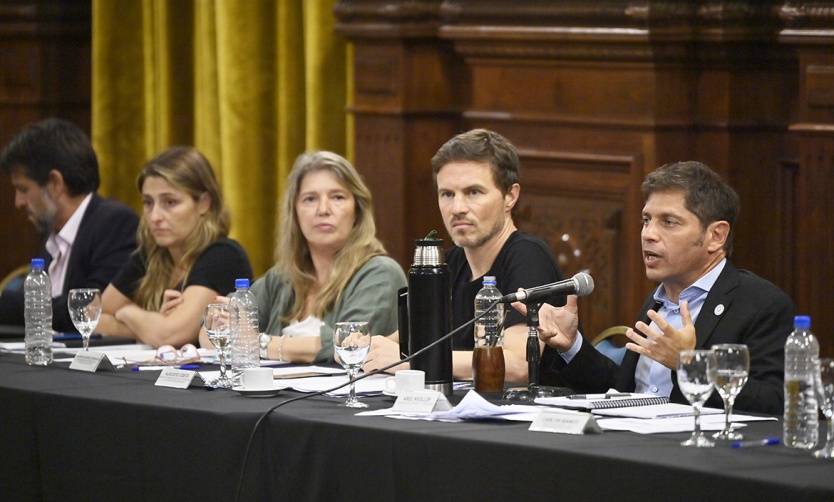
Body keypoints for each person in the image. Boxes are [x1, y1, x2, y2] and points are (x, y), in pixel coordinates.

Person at [528, 161, 795, 414]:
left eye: (669, 222)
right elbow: (624, 392)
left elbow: (777, 402)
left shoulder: (761, 304)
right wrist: (571, 346)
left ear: (716, 236)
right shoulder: (658, 300)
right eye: (646, 220)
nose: (648, 234)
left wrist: (689, 364)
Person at [363, 129, 566, 382]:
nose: (457, 208)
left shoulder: (528, 256)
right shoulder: (449, 263)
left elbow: (517, 365)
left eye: (473, 192)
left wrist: (411, 360)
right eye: (447, 194)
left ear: (510, 197)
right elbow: (401, 342)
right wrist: (362, 348)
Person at [198, 151, 406, 364]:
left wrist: (257, 342)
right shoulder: (282, 278)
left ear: (357, 211)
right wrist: (219, 324)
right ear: (295, 213)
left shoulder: (381, 273)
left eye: (337, 197)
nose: (323, 210)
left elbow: (349, 344)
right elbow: (208, 331)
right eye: (310, 199)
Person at [97, 146, 252, 347]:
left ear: (204, 203)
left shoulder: (223, 255)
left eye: (170, 202)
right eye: (148, 203)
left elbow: (169, 335)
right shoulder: (151, 255)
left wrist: (128, 312)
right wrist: (150, 325)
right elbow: (94, 318)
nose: (155, 217)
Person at [0, 117, 139, 332]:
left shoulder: (115, 225)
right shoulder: (51, 234)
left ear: (55, 183)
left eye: (24, 189)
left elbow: (88, 309)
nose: (18, 203)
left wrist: (5, 303)